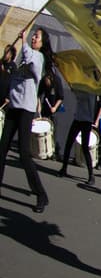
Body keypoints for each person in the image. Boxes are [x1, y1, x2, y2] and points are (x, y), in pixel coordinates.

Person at [0, 28, 52, 212]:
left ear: (42, 42)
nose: (33, 37)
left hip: (26, 110)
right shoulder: (24, 55)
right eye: (32, 35)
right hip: (14, 107)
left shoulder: (38, 57)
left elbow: (31, 60)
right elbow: (14, 73)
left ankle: (41, 195)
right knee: (2, 149)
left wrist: (23, 41)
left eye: (36, 36)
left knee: (24, 154)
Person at [58, 87, 101, 185]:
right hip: (78, 118)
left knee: (85, 147)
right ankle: (64, 168)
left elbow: (87, 100)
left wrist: (94, 121)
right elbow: (76, 94)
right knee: (69, 143)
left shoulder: (92, 91)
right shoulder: (81, 88)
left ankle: (91, 175)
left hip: (86, 121)